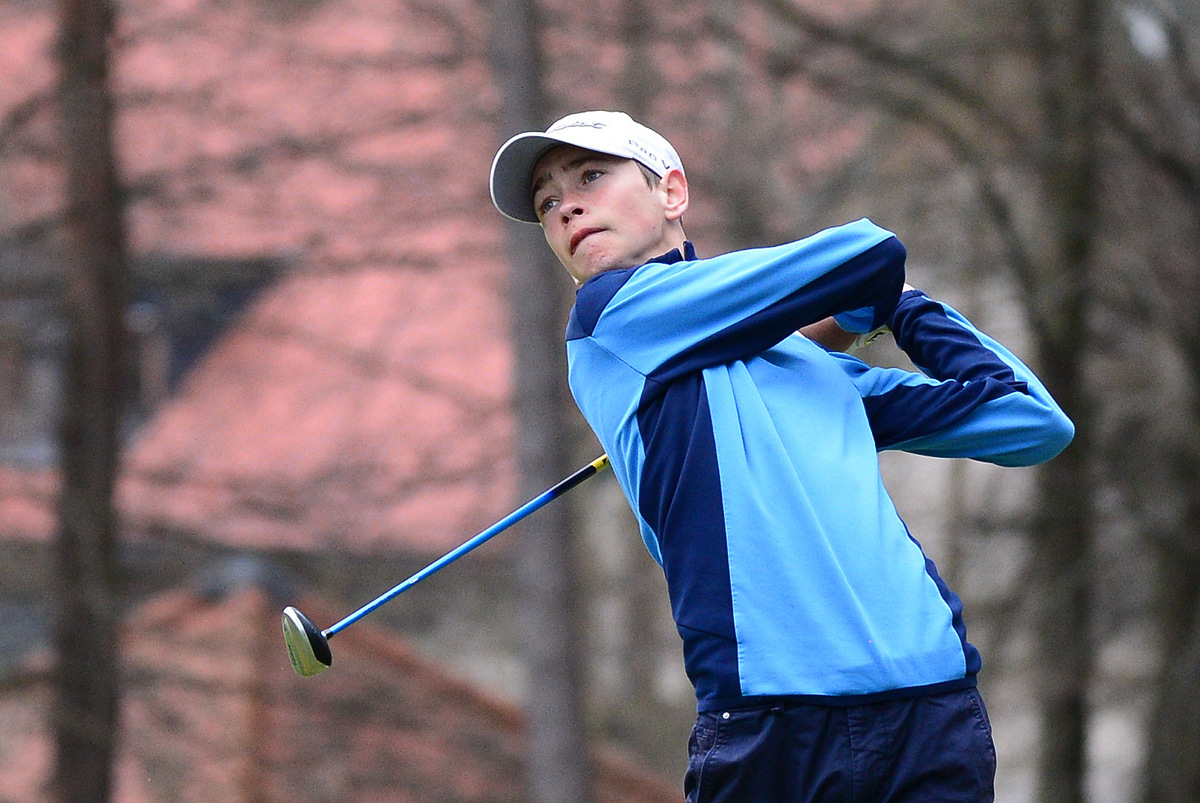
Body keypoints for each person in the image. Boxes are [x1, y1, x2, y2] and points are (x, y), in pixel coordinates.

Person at [489, 110, 1074, 802]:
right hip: (773, 723)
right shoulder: (609, 320)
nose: (567, 206)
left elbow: (1029, 418)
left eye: (590, 176)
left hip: (930, 699)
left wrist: (907, 308)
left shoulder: (814, 368)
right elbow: (868, 254)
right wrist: (867, 304)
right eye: (547, 203)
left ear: (671, 191)